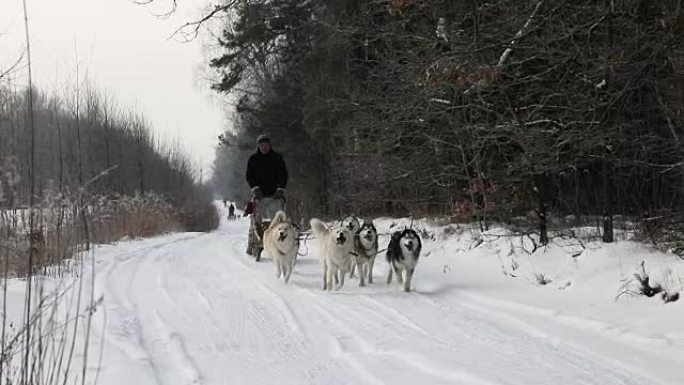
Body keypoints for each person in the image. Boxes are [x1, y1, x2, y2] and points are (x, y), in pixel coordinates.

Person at [245, 134, 289, 258]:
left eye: (266, 145)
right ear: (259, 146)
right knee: (256, 222)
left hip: (275, 196)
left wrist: (280, 188)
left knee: (278, 223)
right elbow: (249, 176)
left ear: (270, 145)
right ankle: (254, 245)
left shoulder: (277, 158)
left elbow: (283, 174)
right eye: (262, 145)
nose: (264, 147)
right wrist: (255, 188)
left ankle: (280, 247)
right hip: (259, 196)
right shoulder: (253, 159)